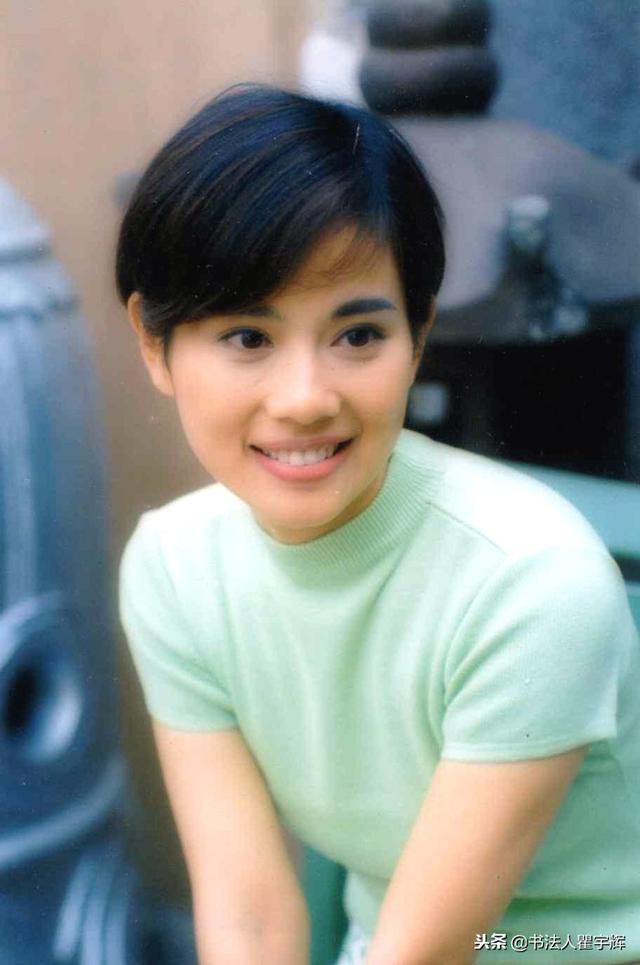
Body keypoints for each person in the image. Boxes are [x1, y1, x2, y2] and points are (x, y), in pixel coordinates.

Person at [116, 83, 640, 965]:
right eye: (248, 337)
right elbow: (249, 916)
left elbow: (424, 951)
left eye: (357, 335)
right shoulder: (173, 569)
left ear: (417, 333)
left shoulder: (528, 582)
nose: (305, 398)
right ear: (153, 343)